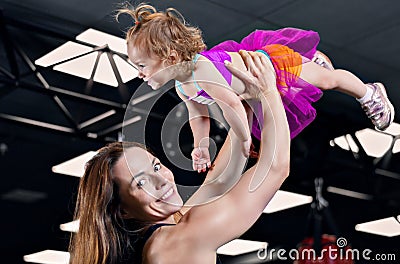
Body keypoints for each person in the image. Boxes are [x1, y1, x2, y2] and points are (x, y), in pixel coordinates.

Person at [68, 50, 290, 264]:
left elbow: (218, 183)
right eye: (141, 182)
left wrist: (245, 107)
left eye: (156, 167)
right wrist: (267, 91)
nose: (162, 180)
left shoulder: (164, 233)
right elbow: (275, 168)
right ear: (122, 211)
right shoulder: (179, 241)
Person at [118, 3, 395, 173]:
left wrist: (243, 141)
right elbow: (199, 115)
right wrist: (201, 145)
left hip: (273, 66)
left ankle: (368, 92)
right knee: (274, 117)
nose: (139, 73)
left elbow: (233, 107)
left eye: (142, 65)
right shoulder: (182, 86)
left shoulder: (203, 72)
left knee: (328, 81)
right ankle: (312, 64)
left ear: (170, 58)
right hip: (256, 89)